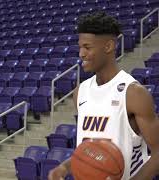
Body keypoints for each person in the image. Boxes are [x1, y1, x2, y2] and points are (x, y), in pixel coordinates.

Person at [49, 12, 159, 180]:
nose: (81, 54)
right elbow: (91, 149)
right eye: (80, 47)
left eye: (87, 47)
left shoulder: (133, 93)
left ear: (108, 47)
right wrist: (64, 167)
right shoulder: (81, 91)